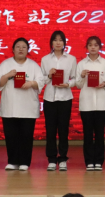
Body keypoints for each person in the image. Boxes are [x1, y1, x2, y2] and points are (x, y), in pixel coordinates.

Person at [0, 38, 45, 171]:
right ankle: (12, 161)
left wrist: (31, 83)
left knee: (26, 135)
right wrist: (8, 75)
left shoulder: (33, 65)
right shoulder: (5, 64)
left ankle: (25, 162)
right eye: (18, 46)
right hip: (10, 105)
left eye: (24, 47)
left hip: (28, 106)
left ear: (28, 50)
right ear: (13, 49)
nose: (21, 49)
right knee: (11, 135)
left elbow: (41, 81)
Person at [76, 36, 105, 171]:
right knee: (87, 134)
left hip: (101, 104)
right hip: (86, 104)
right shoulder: (81, 64)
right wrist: (81, 76)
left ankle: (98, 161)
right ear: (87, 47)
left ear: (100, 47)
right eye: (90, 45)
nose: (93, 47)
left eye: (96, 45)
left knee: (99, 134)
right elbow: (78, 85)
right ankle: (88, 161)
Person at [41, 30, 77, 172]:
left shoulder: (71, 59)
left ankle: (62, 158)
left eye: (60, 40)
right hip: (49, 98)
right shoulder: (45, 59)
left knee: (63, 129)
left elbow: (75, 79)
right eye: (55, 40)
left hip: (65, 98)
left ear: (64, 43)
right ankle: (51, 159)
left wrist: (67, 84)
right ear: (51, 43)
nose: (58, 42)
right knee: (50, 130)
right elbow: (41, 80)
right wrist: (49, 76)